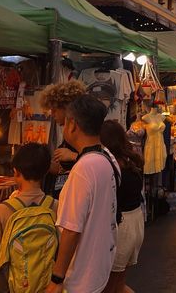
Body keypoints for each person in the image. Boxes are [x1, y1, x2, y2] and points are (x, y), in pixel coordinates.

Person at [45, 94, 120, 293]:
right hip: (100, 262)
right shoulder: (107, 156)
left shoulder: (83, 168)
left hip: (82, 275)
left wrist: (56, 278)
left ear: (72, 125)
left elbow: (71, 230)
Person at [0, 143, 58, 293]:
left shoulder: (3, 210)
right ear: (45, 173)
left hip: (14, 286)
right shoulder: (56, 207)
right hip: (47, 285)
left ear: (16, 172)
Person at [100, 121, 144, 293]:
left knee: (110, 287)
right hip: (135, 222)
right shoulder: (127, 162)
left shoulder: (112, 166)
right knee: (118, 284)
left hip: (123, 227)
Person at [40, 80, 86, 199]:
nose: (52, 114)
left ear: (66, 108)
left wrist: (73, 156)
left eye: (55, 110)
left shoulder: (82, 133)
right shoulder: (67, 137)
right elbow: (62, 171)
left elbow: (95, 161)